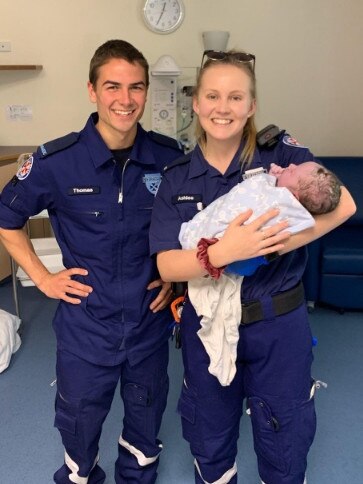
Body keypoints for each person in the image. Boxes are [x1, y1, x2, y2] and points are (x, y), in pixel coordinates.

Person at [149, 49, 356, 484]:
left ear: (252, 105)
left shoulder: (284, 155)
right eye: (212, 96)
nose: (223, 108)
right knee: (209, 433)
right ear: (196, 103)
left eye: (236, 97)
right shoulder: (177, 176)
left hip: (279, 326)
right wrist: (223, 254)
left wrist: (268, 245)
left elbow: (342, 207)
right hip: (206, 325)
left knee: (285, 436)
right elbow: (168, 264)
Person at [0, 39, 183, 484]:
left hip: (147, 323)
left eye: (136, 87)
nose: (126, 100)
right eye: (113, 86)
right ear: (92, 90)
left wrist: (176, 281)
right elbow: (7, 219)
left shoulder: (169, 157)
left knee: (145, 420)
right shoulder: (56, 162)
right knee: (79, 422)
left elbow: (191, 228)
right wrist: (42, 278)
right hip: (86, 326)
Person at [178, 161, 342, 386]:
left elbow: (345, 204)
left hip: (269, 315)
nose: (290, 165)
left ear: (292, 195)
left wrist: (229, 251)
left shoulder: (283, 208)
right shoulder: (274, 184)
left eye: (293, 171)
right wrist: (280, 175)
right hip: (208, 255)